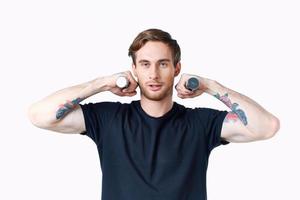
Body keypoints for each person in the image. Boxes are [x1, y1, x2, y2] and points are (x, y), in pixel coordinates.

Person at [28, 28, 280, 200]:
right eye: (145, 64)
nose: (154, 74)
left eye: (163, 63)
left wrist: (211, 87)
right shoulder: (108, 119)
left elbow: (267, 126)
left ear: (176, 68)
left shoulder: (200, 123)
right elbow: (40, 115)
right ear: (134, 69)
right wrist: (102, 84)